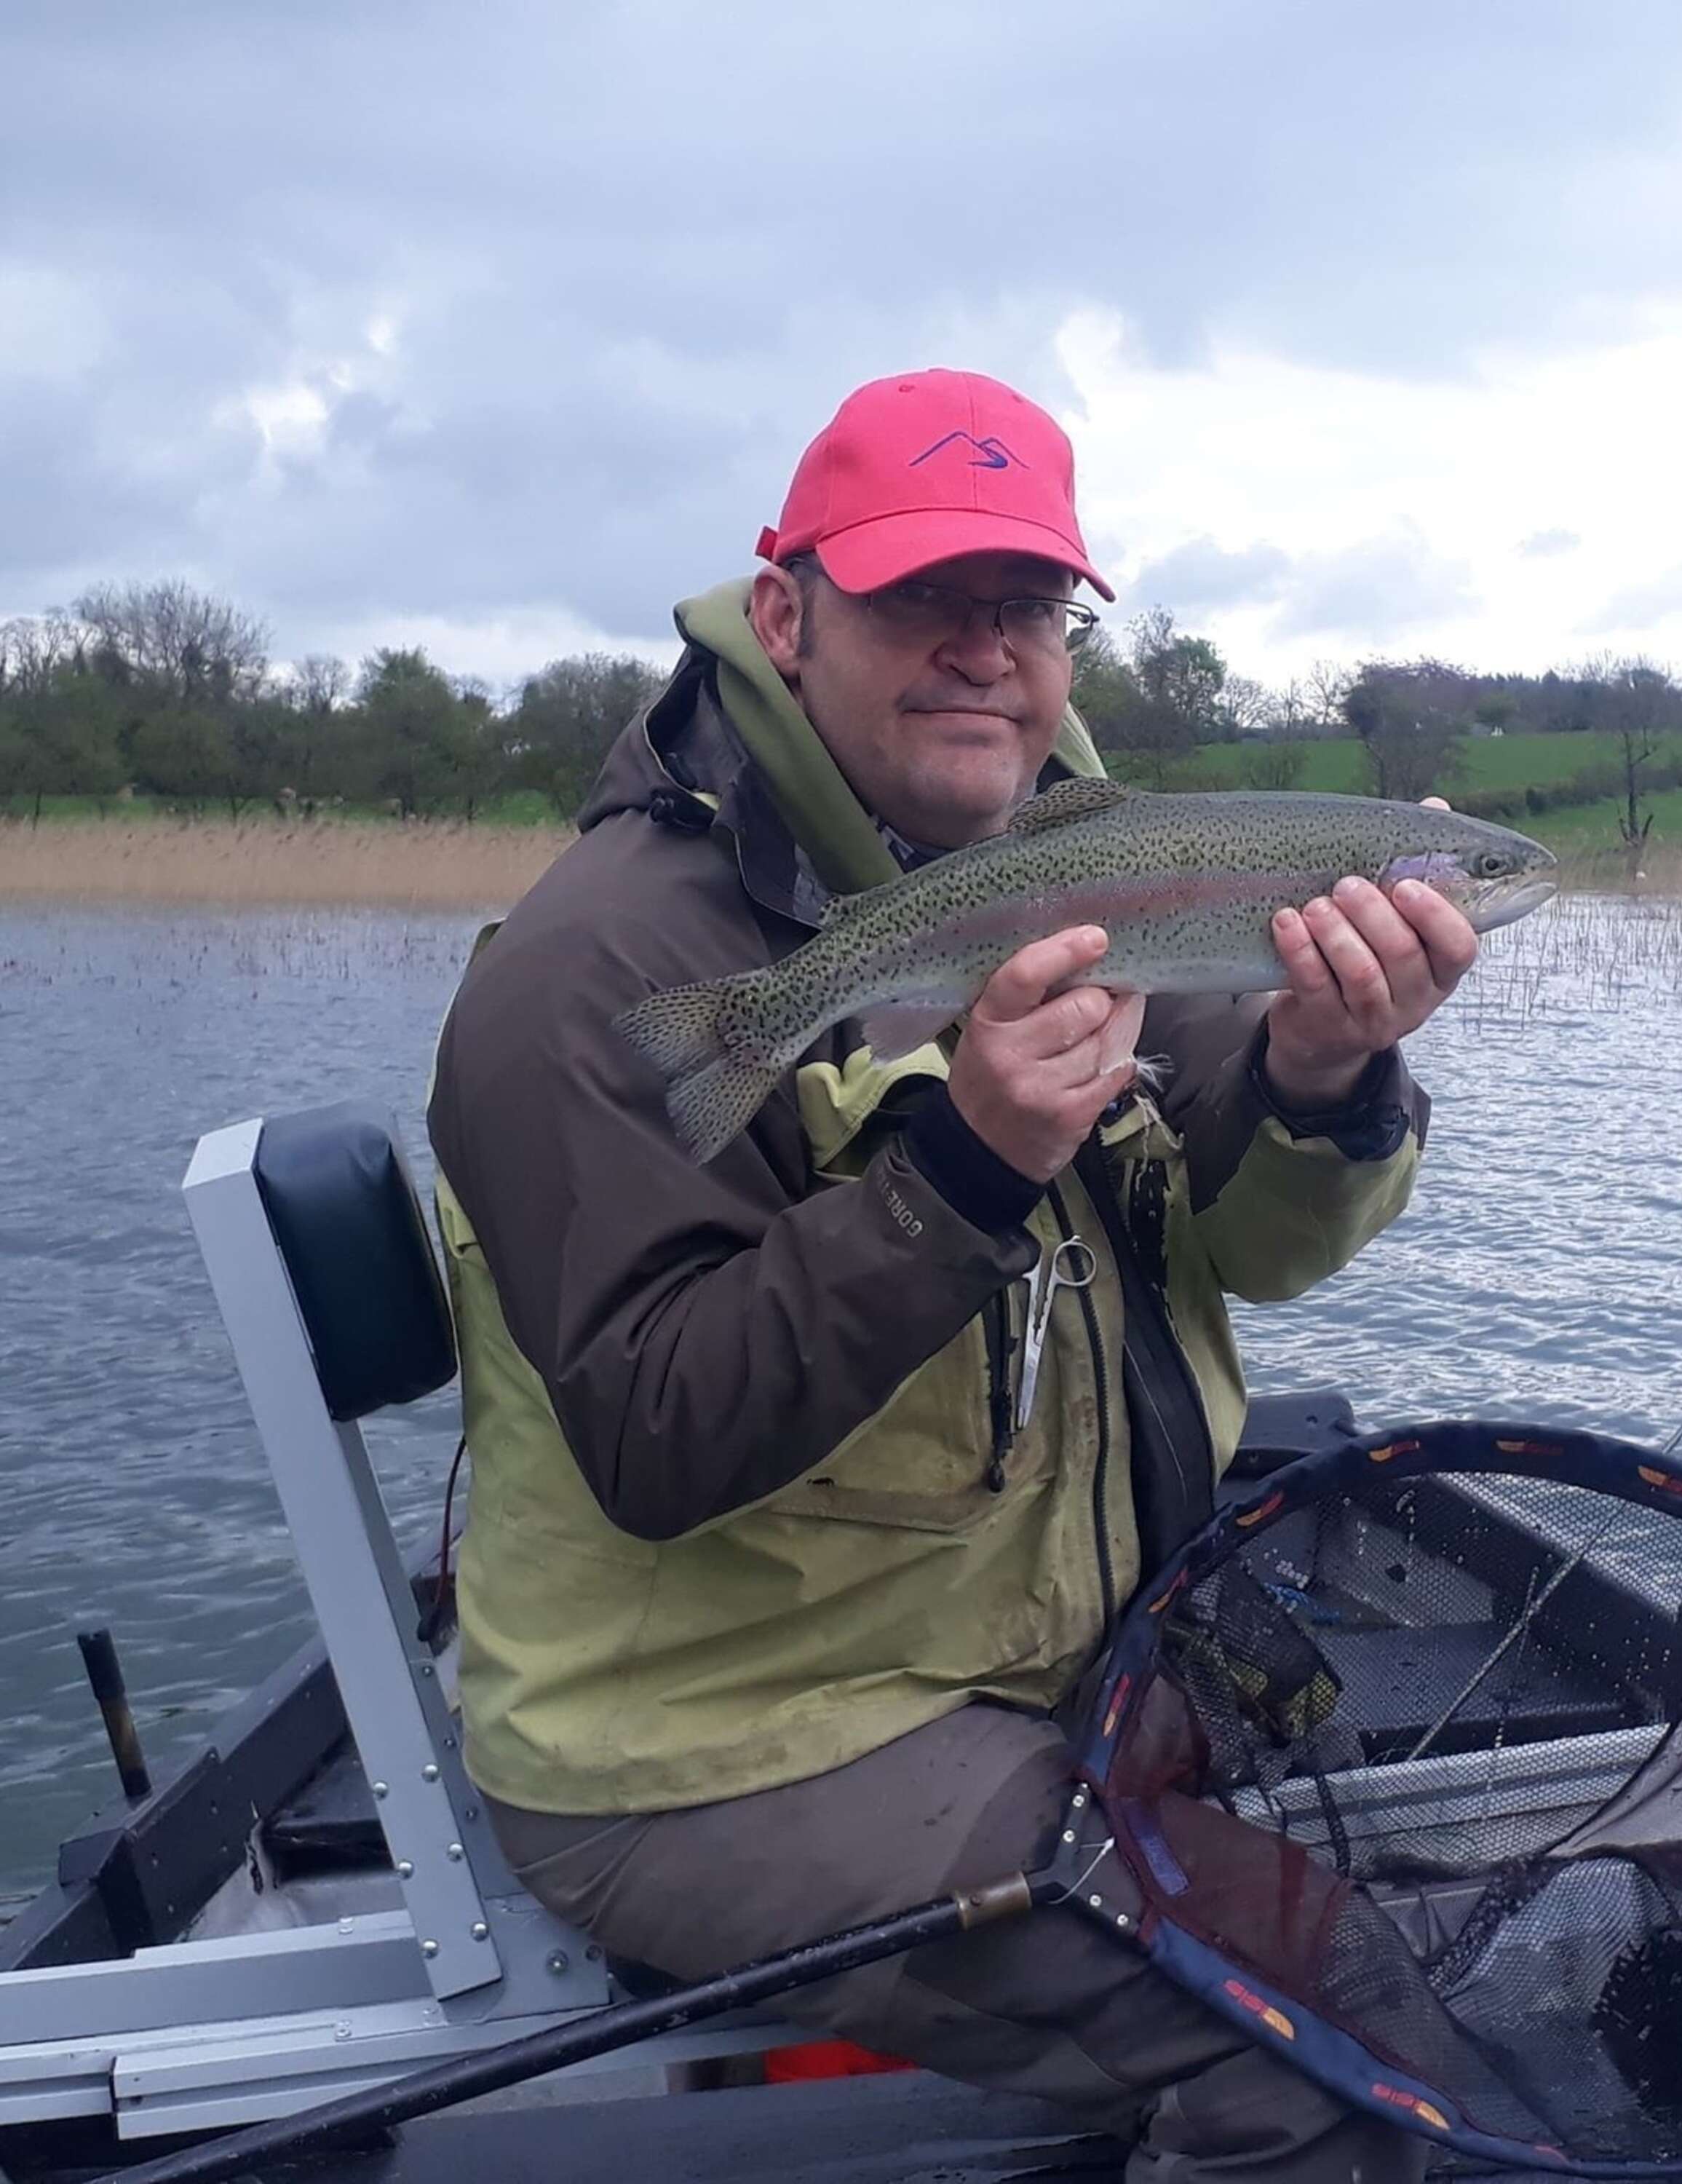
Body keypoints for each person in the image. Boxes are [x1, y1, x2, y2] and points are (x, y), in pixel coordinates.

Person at [427, 368, 1477, 2182]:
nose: (983, 650)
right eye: (924, 597)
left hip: (1014, 1660)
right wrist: (964, 1167)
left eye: (1027, 609)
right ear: (785, 614)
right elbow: (656, 1435)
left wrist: (1324, 1073)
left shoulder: (1112, 870)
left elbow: (1259, 1253)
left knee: (1366, 1916)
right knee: (1327, 2050)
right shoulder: (589, 975)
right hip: (704, 1736)